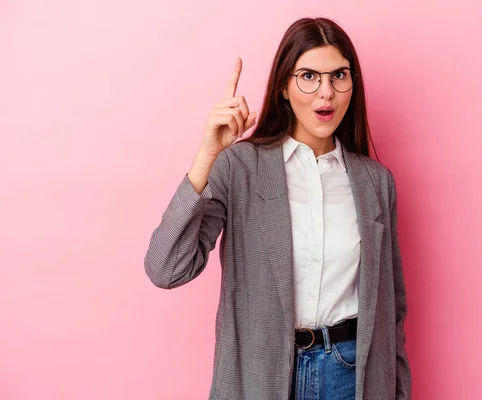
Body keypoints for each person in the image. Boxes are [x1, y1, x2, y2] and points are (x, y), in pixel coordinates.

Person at [144, 17, 411, 400]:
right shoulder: (240, 167)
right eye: (308, 76)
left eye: (339, 75)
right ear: (284, 86)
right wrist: (208, 155)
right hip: (262, 376)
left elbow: (392, 313)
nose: (326, 93)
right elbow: (165, 267)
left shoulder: (375, 182)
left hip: (351, 375)